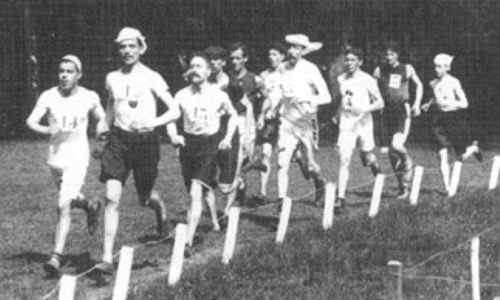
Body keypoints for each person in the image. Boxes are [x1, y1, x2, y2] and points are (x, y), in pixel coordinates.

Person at [96, 27, 180, 273]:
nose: (127, 51)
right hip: (118, 142)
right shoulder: (112, 77)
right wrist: (103, 125)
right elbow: (111, 106)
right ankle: (107, 258)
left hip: (145, 142)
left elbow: (174, 110)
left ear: (141, 48)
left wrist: (151, 123)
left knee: (144, 197)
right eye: (122, 46)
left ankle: (159, 207)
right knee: (111, 197)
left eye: (132, 46)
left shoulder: (152, 76)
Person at [26, 55, 107, 277]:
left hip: (78, 157)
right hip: (56, 158)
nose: (64, 75)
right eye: (61, 71)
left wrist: (102, 131)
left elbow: (102, 117)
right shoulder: (48, 96)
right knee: (70, 197)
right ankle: (90, 204)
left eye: (69, 71)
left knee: (62, 204)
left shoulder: (89, 97)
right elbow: (31, 121)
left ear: (79, 74)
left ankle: (55, 256)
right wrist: (46, 131)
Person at [167, 52, 238, 249]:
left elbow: (233, 116)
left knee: (195, 191)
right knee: (200, 189)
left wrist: (227, 138)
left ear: (208, 71)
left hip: (209, 145)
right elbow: (171, 119)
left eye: (199, 66)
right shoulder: (181, 95)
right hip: (188, 146)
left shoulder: (218, 94)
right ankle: (214, 220)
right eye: (192, 66)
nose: (194, 70)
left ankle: (188, 239)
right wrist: (174, 136)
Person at [275, 34, 331, 206]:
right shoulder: (281, 68)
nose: (291, 51)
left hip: (306, 122)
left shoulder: (310, 69)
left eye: (296, 48)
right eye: (289, 47)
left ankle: (320, 183)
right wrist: (272, 107)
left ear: (302, 51)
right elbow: (278, 92)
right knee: (281, 163)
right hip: (286, 122)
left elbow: (326, 97)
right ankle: (281, 200)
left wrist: (306, 98)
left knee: (310, 167)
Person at [421, 53, 482, 193]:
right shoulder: (432, 83)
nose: (436, 69)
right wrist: (428, 104)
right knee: (442, 154)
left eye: (439, 66)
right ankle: (447, 189)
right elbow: (435, 97)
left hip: (454, 119)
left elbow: (465, 103)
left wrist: (448, 102)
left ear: (447, 67)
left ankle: (473, 149)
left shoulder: (454, 82)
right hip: (438, 120)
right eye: (434, 66)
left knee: (460, 156)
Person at [335, 47, 384, 211]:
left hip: (364, 122)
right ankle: (340, 199)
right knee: (344, 159)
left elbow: (380, 103)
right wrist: (339, 113)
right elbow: (344, 100)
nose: (349, 63)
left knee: (367, 158)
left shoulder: (368, 79)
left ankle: (376, 169)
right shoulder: (341, 78)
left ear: (360, 62)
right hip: (347, 123)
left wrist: (363, 109)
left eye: (353, 60)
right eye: (347, 60)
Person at [373, 42, 423, 198]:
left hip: (402, 110)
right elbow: (372, 90)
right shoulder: (378, 70)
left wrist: (417, 103)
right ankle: (403, 187)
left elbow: (419, 84)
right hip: (385, 113)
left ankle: (407, 159)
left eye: (392, 54)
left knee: (397, 145)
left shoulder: (406, 68)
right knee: (392, 154)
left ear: (397, 55)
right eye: (386, 54)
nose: (388, 57)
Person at [225, 42, 263, 209]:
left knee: (240, 157)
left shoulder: (255, 79)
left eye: (238, 58)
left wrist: (262, 115)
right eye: (232, 58)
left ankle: (233, 199)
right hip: (228, 121)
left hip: (246, 120)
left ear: (245, 59)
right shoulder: (225, 79)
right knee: (232, 158)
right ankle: (240, 186)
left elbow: (267, 97)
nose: (234, 61)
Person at [250, 42, 287, 199]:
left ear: (282, 56)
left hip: (286, 119)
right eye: (269, 54)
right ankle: (263, 191)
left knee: (298, 160)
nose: (271, 57)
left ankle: (317, 179)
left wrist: (278, 108)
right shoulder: (264, 76)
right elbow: (263, 98)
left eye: (275, 54)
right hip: (269, 119)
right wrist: (261, 114)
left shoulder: (288, 74)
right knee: (265, 152)